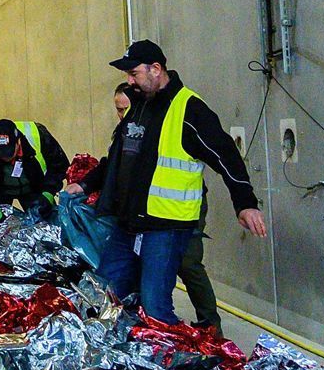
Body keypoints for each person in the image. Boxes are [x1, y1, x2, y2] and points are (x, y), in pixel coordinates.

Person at [64, 40, 266, 325]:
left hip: (165, 227)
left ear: (156, 69)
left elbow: (227, 156)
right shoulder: (139, 107)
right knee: (103, 294)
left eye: (134, 73)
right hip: (129, 224)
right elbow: (117, 157)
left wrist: (245, 204)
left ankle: (174, 361)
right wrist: (85, 185)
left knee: (155, 308)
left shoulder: (190, 110)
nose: (129, 81)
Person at [112, 83, 223, 332]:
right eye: (118, 110)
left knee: (188, 263)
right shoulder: (128, 130)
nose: (122, 115)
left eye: (125, 109)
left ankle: (211, 326)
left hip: (183, 206)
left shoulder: (160, 121)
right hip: (154, 210)